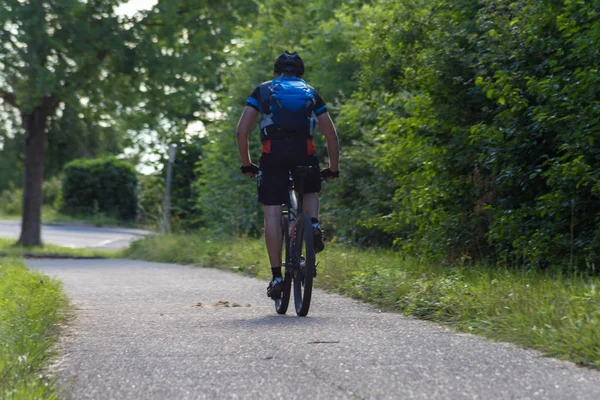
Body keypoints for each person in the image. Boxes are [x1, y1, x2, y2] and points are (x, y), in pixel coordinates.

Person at [236, 51, 340, 300]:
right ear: (301, 74)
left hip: (273, 154)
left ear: (276, 73)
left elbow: (242, 131)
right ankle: (313, 223)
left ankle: (277, 278)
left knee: (272, 213)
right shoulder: (310, 92)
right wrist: (333, 168)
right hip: (305, 152)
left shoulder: (263, 91)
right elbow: (331, 135)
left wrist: (247, 164)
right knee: (310, 191)